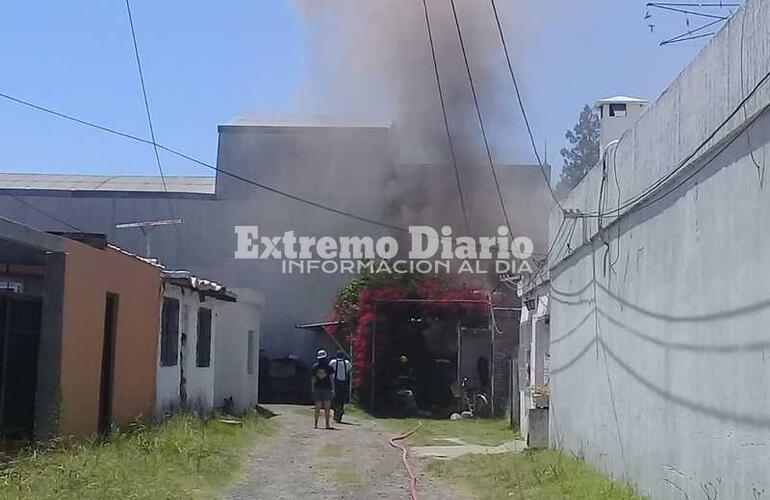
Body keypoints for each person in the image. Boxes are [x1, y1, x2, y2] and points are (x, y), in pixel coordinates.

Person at [311, 349, 334, 429]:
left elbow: (313, 378)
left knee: (317, 407)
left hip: (318, 387)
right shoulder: (329, 367)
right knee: (327, 408)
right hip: (327, 388)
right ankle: (327, 424)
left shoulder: (315, 367)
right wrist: (333, 388)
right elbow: (331, 378)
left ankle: (316, 424)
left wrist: (312, 387)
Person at [329, 350, 352, 423]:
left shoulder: (333, 362)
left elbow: (330, 371)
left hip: (335, 383)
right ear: (343, 356)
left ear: (336, 355)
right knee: (341, 400)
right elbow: (349, 370)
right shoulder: (347, 363)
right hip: (343, 384)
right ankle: (339, 414)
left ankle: (336, 413)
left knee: (335, 399)